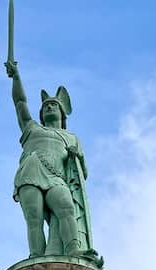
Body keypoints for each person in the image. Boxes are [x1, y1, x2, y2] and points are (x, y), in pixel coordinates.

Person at [6, 60, 94, 259]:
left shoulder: (72, 138)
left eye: (54, 105)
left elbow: (83, 173)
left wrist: (76, 155)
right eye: (46, 106)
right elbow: (20, 103)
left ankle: (73, 250)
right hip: (31, 171)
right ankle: (36, 256)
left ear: (62, 112)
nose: (49, 108)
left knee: (66, 207)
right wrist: (16, 76)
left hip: (57, 177)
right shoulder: (32, 129)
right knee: (33, 218)